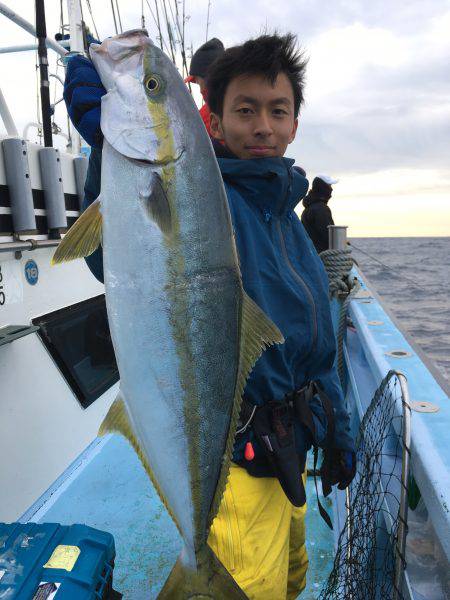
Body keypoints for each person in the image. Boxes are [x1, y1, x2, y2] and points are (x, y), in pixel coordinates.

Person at [64, 32, 355, 599]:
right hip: (236, 473)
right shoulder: (208, 195)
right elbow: (116, 254)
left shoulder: (289, 221)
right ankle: (197, 560)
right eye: (245, 111)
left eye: (278, 110)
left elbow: (317, 345)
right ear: (212, 124)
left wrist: (338, 429)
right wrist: (106, 147)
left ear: (296, 123)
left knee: (292, 581)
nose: (264, 126)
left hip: (291, 462)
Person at [184, 37, 225, 135]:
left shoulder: (207, 116)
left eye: (198, 83)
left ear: (208, 79)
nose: (200, 90)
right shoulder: (236, 103)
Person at [301, 174, 338, 254]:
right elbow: (328, 236)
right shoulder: (321, 209)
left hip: (311, 255)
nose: (331, 189)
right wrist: (341, 243)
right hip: (321, 257)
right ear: (324, 188)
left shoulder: (309, 208)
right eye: (329, 186)